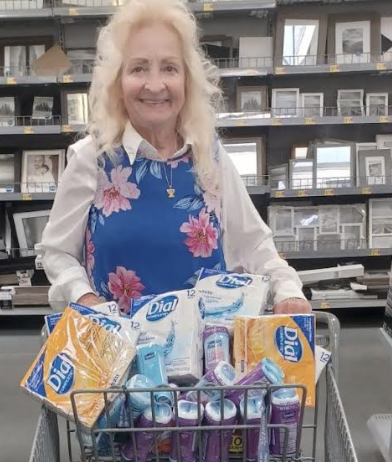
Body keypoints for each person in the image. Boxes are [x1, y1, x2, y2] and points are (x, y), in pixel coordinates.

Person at [39, 0, 311, 315]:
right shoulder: (93, 159)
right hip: (118, 354)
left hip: (208, 355)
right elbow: (58, 253)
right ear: (117, 81)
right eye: (138, 68)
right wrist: (84, 299)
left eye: (169, 67)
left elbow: (254, 246)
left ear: (187, 79)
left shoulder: (209, 157)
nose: (155, 85)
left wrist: (288, 292)